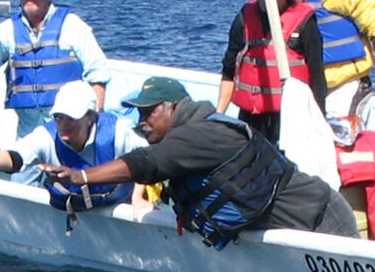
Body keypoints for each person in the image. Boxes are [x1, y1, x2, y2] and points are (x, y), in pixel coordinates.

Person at [42, 76, 357, 244]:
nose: (142, 121)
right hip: (292, 223)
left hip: (319, 217)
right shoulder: (183, 134)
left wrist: (81, 177)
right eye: (138, 113)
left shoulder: (199, 135)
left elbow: (146, 163)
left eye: (150, 112)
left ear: (174, 108)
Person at [0, 80, 146, 213]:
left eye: (71, 118)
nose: (63, 124)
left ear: (91, 118)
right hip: (70, 211)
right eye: (59, 117)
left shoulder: (119, 133)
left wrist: (139, 197)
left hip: (116, 205)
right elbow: (15, 157)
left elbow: (150, 160)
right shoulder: (46, 136)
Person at [0, 0, 108, 138]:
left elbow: (98, 74)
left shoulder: (73, 26)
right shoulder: (8, 29)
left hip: (69, 129)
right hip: (28, 132)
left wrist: (95, 122)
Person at [217, 0, 326, 142]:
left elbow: (317, 80)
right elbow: (229, 70)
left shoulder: (305, 22)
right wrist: (218, 116)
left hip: (290, 119)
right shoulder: (245, 18)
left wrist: (319, 126)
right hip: (251, 119)